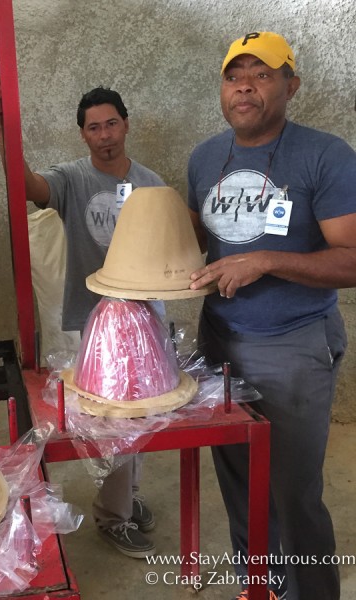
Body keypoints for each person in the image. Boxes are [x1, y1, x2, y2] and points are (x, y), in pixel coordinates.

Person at [187, 32, 356, 600]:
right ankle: (262, 588)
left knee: (291, 489)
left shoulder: (325, 155)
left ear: (291, 84)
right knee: (238, 479)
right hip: (219, 341)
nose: (245, 85)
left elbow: (352, 259)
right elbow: (191, 246)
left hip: (293, 344)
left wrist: (265, 261)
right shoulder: (206, 156)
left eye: (262, 74)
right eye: (235, 74)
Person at [0, 86, 165, 558]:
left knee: (141, 417)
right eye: (93, 127)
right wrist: (5, 132)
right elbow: (28, 187)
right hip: (98, 324)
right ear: (82, 135)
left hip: (146, 321)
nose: (104, 135)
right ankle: (113, 516)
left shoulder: (152, 183)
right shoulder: (72, 179)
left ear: (126, 125)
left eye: (111, 124)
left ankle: (126, 496)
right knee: (113, 423)